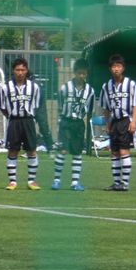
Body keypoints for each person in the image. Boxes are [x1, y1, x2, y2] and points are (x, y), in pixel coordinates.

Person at [52, 58, 95, 191]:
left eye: (84, 73)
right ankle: (57, 180)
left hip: (79, 124)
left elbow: (90, 111)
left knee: (77, 153)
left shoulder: (90, 91)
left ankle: (75, 182)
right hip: (66, 122)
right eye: (79, 73)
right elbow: (60, 105)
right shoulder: (65, 88)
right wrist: (61, 121)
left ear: (87, 74)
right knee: (62, 150)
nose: (81, 76)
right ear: (74, 72)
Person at [0, 58, 42, 191]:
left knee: (31, 150)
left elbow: (36, 105)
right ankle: (12, 181)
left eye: (23, 70)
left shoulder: (34, 87)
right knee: (13, 150)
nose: (20, 72)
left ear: (26, 70)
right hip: (14, 122)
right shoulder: (6, 87)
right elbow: (2, 106)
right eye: (17, 70)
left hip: (28, 121)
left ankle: (32, 181)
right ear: (13, 71)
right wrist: (11, 116)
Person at [100, 54, 136, 192]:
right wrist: (107, 123)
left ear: (123, 68)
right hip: (114, 122)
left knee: (123, 151)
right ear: (110, 69)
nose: (116, 69)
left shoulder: (131, 84)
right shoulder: (106, 86)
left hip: (125, 121)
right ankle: (116, 182)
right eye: (114, 66)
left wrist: (133, 122)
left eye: (119, 66)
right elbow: (105, 107)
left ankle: (125, 183)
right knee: (114, 152)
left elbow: (135, 105)